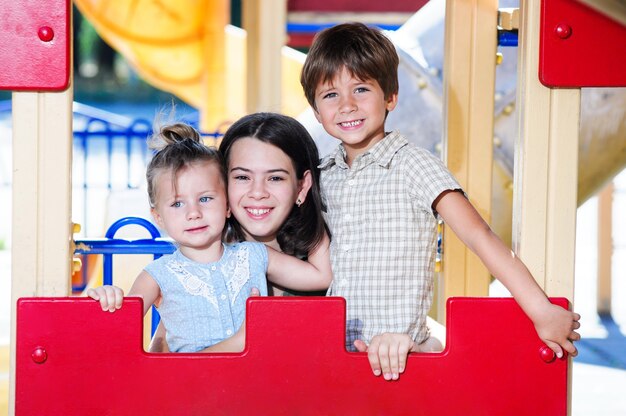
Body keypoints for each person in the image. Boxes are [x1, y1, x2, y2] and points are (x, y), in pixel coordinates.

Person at [300, 22, 581, 381]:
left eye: (361, 88)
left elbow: (480, 236)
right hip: (340, 352)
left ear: (390, 96)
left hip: (402, 352)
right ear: (315, 110)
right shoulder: (326, 175)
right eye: (330, 95)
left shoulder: (413, 165)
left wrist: (541, 311)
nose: (347, 105)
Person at [87, 122, 331, 353]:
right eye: (177, 203)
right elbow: (113, 335)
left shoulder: (254, 255)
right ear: (158, 217)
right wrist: (109, 300)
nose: (193, 213)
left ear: (227, 205)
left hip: (256, 389)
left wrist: (313, 205)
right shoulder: (157, 275)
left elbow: (321, 276)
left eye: (205, 199)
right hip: (191, 391)